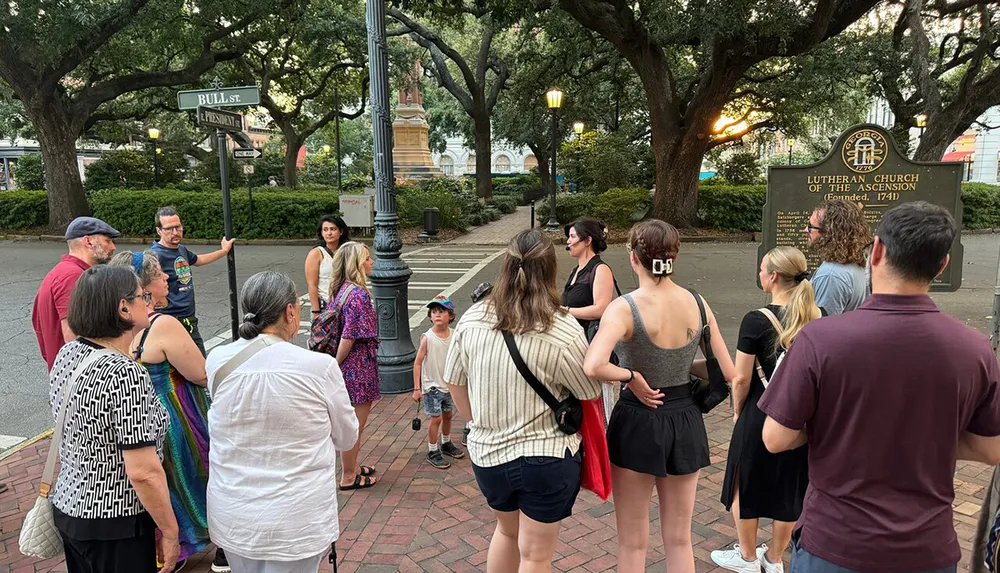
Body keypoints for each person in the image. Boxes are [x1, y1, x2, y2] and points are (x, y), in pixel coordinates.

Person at [760, 201, 1000, 573]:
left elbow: (775, 438)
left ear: (877, 250)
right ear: (941, 265)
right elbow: (990, 448)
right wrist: (919, 437)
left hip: (835, 545)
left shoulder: (820, 340)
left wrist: (846, 432)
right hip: (927, 549)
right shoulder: (974, 349)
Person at [444, 229, 603, 573]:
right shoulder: (562, 327)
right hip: (546, 457)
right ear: (549, 269)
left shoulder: (472, 320)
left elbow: (454, 380)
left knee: (505, 531)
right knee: (535, 556)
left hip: (488, 455)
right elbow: (589, 391)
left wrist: (475, 422)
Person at [583, 219, 735, 573]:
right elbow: (726, 371)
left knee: (632, 543)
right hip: (685, 419)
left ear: (633, 257)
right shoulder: (697, 303)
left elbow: (594, 365)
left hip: (637, 418)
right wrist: (679, 366)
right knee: (680, 539)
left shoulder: (624, 307)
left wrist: (632, 375)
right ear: (673, 257)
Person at [206, 271, 358, 573]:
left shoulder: (217, 360)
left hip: (234, 514)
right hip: (295, 520)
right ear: (290, 311)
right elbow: (347, 437)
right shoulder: (319, 367)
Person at [48, 265, 178, 573]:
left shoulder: (68, 354)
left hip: (70, 507)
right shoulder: (124, 372)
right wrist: (171, 531)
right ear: (123, 308)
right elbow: (143, 471)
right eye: (141, 296)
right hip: (115, 522)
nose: (148, 301)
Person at [110, 251, 226, 572]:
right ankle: (220, 544)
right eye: (160, 275)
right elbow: (200, 373)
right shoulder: (163, 324)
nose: (167, 279)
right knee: (200, 473)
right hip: (178, 416)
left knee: (165, 486)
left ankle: (170, 549)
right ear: (144, 288)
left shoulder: (119, 326)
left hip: (138, 419)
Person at [711, 246, 822, 573]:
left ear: (772, 277)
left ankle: (746, 556)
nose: (760, 274)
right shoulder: (819, 316)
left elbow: (742, 377)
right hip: (800, 417)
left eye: (762, 269)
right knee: (790, 487)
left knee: (743, 483)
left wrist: (738, 411)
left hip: (760, 413)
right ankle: (774, 559)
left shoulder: (756, 321)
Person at [317, 241, 381, 490]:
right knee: (355, 425)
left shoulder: (341, 290)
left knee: (351, 421)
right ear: (356, 263)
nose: (371, 261)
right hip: (357, 367)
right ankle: (348, 476)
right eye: (367, 258)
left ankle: (352, 466)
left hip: (351, 366)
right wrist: (335, 364)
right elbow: (349, 336)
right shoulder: (359, 294)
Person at [32, 216, 120, 370]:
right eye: (108, 240)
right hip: (81, 375)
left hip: (67, 375)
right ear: (88, 242)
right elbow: (74, 336)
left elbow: (39, 327)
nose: (113, 247)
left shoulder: (61, 272)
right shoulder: (73, 276)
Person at [150, 206, 235, 356]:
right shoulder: (155, 256)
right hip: (170, 322)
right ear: (159, 231)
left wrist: (223, 251)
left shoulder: (180, 249)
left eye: (178, 227)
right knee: (195, 371)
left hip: (189, 320)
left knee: (199, 368)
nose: (175, 232)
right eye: (169, 229)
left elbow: (198, 260)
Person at [563, 218, 620, 422]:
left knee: (598, 403)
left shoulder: (600, 269)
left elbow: (601, 308)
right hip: (576, 344)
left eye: (572, 237)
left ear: (587, 240)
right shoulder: (576, 270)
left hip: (592, 343)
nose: (568, 242)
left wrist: (566, 311)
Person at [412, 295, 465, 469]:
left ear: (450, 315)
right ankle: (433, 450)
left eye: (442, 311)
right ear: (430, 316)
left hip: (449, 384)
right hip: (432, 386)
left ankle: (446, 442)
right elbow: (418, 362)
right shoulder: (427, 338)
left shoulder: (456, 335)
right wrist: (417, 388)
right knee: (436, 419)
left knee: (448, 415)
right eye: (434, 312)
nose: (437, 315)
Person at [804, 199, 871, 315]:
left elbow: (823, 328)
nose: (805, 230)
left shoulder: (831, 274)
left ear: (828, 233)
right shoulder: (857, 266)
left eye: (810, 226)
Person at [305, 215, 350, 317]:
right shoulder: (316, 253)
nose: (329, 233)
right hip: (324, 306)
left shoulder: (347, 251)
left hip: (346, 305)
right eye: (325, 230)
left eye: (333, 229)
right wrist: (316, 311)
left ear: (341, 231)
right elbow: (312, 285)